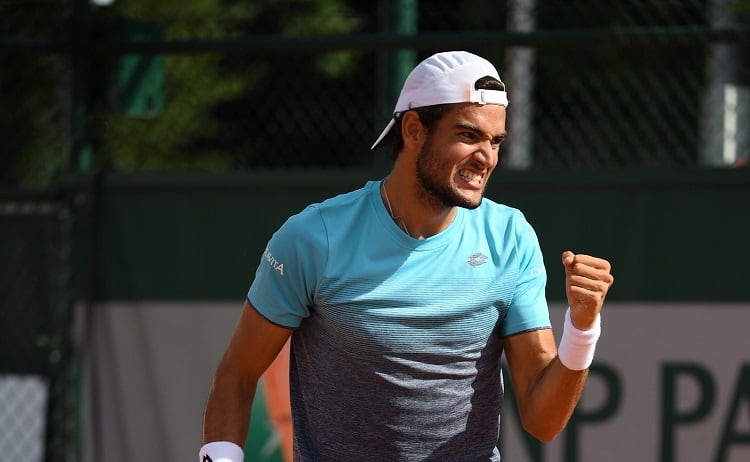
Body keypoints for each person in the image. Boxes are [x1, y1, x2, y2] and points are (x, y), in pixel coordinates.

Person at [200, 50, 614, 462]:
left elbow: (544, 421)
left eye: (495, 141)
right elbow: (236, 376)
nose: (487, 158)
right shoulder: (313, 238)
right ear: (414, 129)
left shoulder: (511, 237)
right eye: (468, 135)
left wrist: (581, 328)